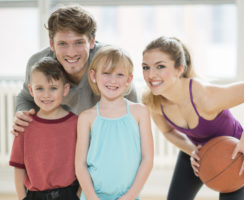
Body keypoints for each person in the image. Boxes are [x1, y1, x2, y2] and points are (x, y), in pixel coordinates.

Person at [141, 36, 244, 200]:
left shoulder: (205, 98)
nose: (151, 74)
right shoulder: (153, 101)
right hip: (198, 151)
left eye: (160, 66)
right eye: (145, 67)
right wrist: (191, 150)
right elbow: (167, 132)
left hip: (238, 153)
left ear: (179, 69)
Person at [11, 5, 137, 136]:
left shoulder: (110, 61)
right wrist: (23, 113)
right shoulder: (38, 64)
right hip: (62, 138)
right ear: (52, 44)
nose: (71, 53)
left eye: (79, 42)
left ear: (92, 41)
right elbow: (25, 98)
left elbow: (133, 107)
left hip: (102, 139)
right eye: (63, 44)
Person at [75, 45, 154, 200]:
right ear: (93, 75)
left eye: (119, 74)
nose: (113, 80)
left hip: (128, 197)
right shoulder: (86, 117)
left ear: (129, 79)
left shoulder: (140, 112)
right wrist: (92, 197)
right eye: (106, 73)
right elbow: (80, 165)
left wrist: (130, 196)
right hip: (93, 197)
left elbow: (148, 159)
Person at [9, 57, 80, 200]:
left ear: (65, 89)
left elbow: (84, 163)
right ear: (31, 90)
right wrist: (22, 197)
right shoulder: (24, 124)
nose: (46, 95)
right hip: (34, 196)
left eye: (53, 88)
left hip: (69, 195)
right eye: (39, 88)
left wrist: (78, 194)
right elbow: (19, 167)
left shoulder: (76, 124)